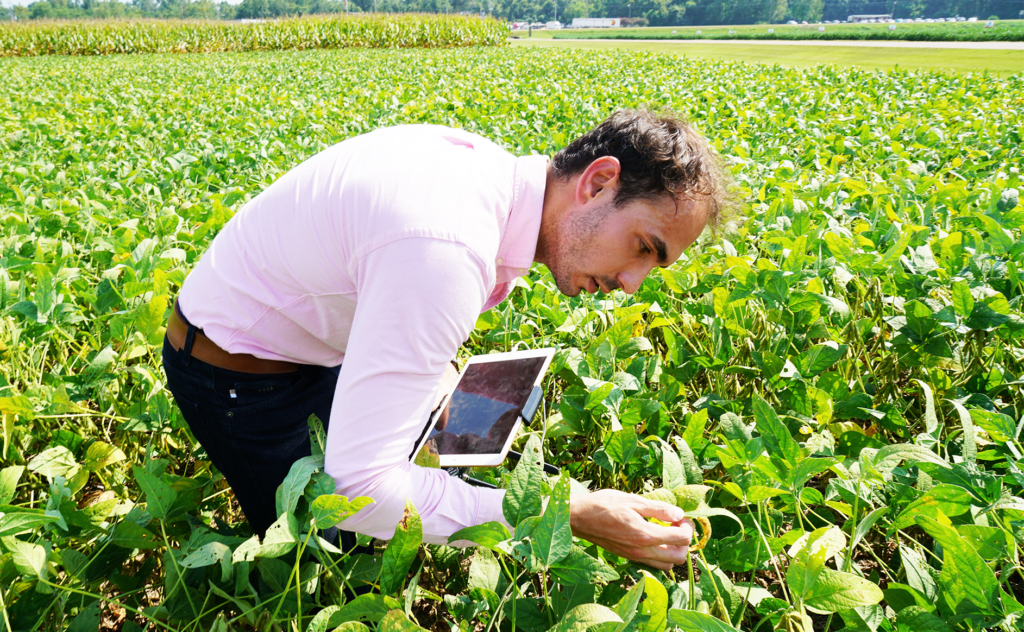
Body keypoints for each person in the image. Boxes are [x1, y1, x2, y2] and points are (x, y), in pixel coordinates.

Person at [161, 109, 729, 571]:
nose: (630, 284)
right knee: (323, 558)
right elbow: (360, 489)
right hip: (236, 375)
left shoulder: (486, 179)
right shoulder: (448, 247)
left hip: (310, 342)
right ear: (598, 183)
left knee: (443, 449)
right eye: (643, 248)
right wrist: (567, 511)